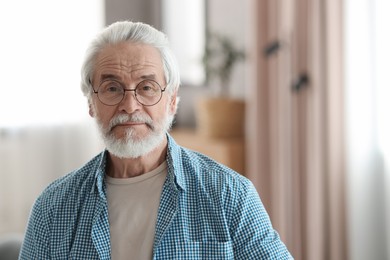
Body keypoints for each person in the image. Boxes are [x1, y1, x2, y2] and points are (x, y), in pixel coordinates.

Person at [19, 21, 293, 259]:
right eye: (112, 88)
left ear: (172, 100)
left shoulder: (230, 196)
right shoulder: (52, 209)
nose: (129, 105)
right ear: (91, 102)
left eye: (147, 87)